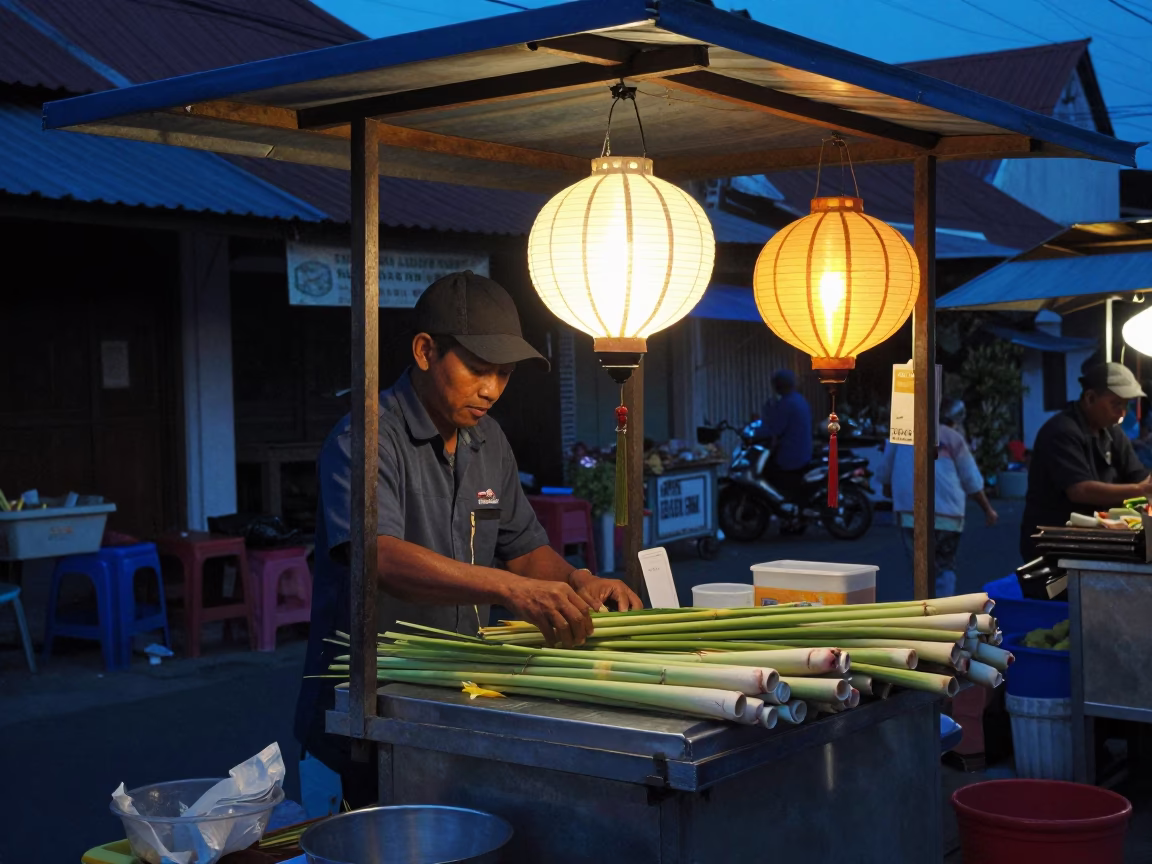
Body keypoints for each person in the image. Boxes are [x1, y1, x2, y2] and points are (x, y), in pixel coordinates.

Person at [295, 271, 643, 806]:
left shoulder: (488, 438)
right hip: (368, 710)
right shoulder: (364, 437)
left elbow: (524, 548)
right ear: (425, 350)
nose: (491, 390)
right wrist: (508, 589)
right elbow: (379, 557)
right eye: (478, 369)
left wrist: (579, 580)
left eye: (503, 374)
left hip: (456, 696)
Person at [1020, 362, 1152, 561]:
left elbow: (1138, 475)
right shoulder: (1061, 431)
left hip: (1095, 542)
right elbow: (1080, 490)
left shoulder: (1112, 431)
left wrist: (1146, 488)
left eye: (1126, 405)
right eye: (1116, 404)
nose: (1123, 413)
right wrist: (1141, 490)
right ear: (1090, 398)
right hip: (1054, 546)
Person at [876, 399, 998, 597]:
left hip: (910, 514)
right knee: (944, 567)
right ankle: (942, 616)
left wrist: (891, 490)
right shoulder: (953, 438)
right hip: (947, 517)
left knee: (921, 570)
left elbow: (885, 472)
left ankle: (924, 615)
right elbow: (971, 480)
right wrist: (988, 510)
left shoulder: (903, 434)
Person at [758, 369, 813, 496]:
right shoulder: (800, 400)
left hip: (791, 455)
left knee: (769, 472)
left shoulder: (786, 404)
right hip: (803, 451)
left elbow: (774, 429)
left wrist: (756, 432)